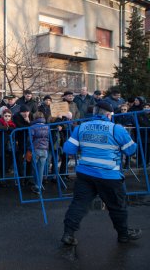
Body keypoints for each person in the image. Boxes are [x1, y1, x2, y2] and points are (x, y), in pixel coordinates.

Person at [61, 101, 141, 246]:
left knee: (79, 204)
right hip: (109, 175)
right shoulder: (116, 129)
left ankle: (68, 234)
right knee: (117, 206)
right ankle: (123, 235)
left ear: (94, 113)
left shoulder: (81, 127)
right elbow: (131, 150)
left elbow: (68, 149)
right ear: (109, 114)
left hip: (85, 174)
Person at [0, 109, 16, 187]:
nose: (7, 117)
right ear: (3, 116)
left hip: (8, 145)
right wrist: (7, 128)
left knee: (5, 163)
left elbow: (13, 129)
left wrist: (7, 128)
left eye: (9, 116)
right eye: (6, 116)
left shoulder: (12, 123)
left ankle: (3, 178)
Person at [29, 112, 49, 194]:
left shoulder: (32, 127)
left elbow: (30, 139)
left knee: (34, 168)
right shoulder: (47, 126)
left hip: (36, 148)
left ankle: (36, 185)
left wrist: (29, 148)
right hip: (45, 149)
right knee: (41, 169)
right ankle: (39, 186)